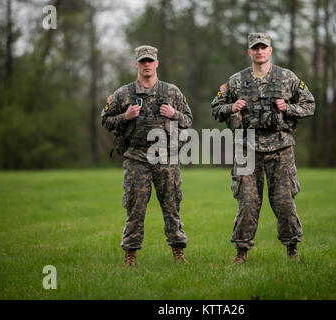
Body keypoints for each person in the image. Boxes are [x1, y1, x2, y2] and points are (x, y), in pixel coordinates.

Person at [210, 33, 315, 263]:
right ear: (249, 52)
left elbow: (309, 105)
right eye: (255, 48)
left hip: (280, 147)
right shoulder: (236, 81)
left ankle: (292, 250)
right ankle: (241, 254)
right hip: (247, 148)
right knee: (247, 202)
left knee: (284, 201)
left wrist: (288, 108)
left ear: (270, 50)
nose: (259, 51)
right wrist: (231, 107)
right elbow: (215, 108)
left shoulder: (287, 77)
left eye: (263, 47)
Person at [101, 45, 193, 268]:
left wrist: (174, 114)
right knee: (135, 207)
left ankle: (178, 253)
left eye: (150, 61)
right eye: (143, 61)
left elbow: (188, 120)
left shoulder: (172, 92)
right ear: (136, 65)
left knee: (172, 207)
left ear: (157, 63)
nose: (147, 64)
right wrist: (125, 116)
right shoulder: (123, 94)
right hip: (136, 158)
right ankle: (130, 256)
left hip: (166, 158)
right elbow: (105, 120)